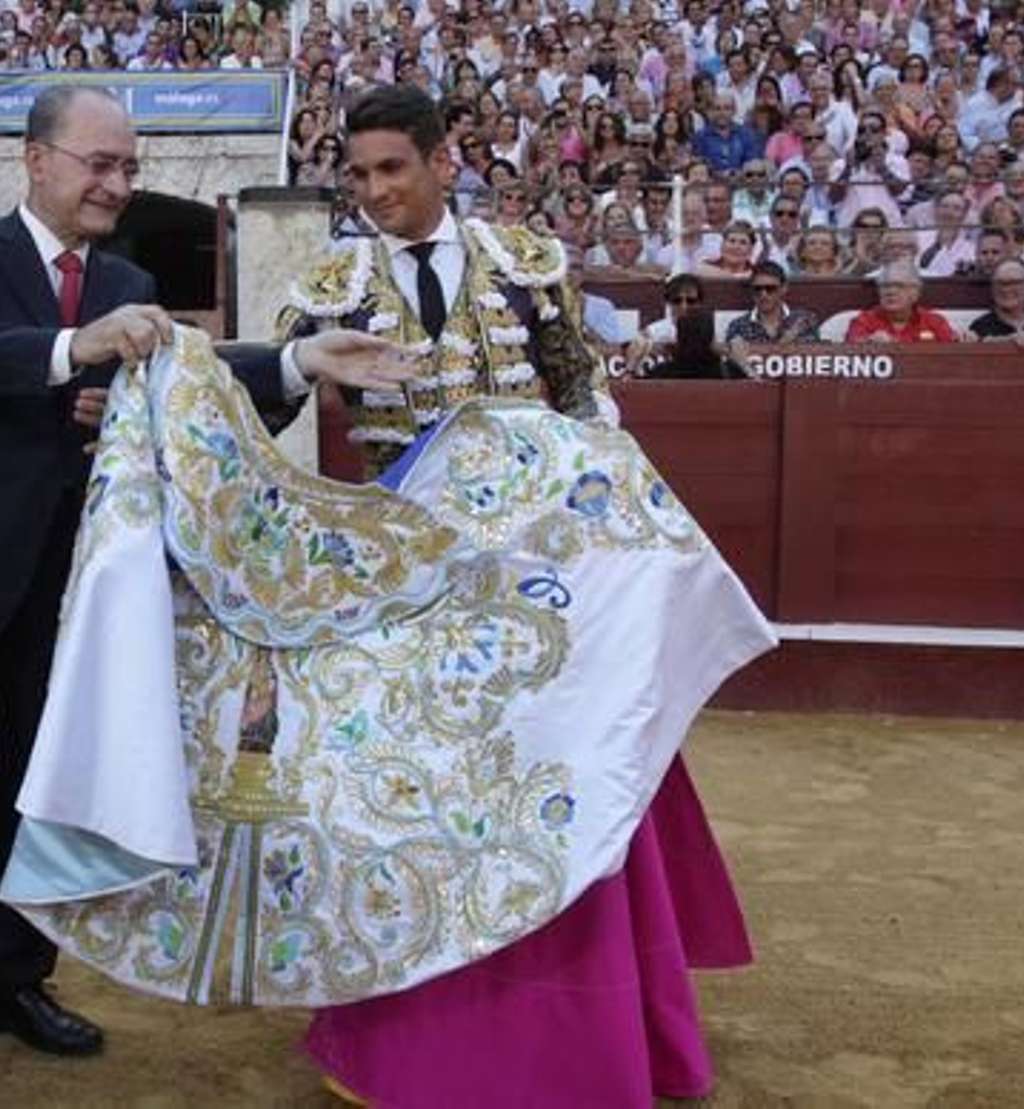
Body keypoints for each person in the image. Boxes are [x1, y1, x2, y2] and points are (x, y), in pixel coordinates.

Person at [0, 84, 412, 1109]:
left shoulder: (125, 274)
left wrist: (298, 357)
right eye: (96, 164)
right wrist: (77, 350)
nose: (117, 183)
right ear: (35, 160)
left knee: (40, 789)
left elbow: (186, 375)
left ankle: (12, 983)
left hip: (73, 589)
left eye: (127, 166)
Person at [274, 82, 752, 1107]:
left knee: (558, 772)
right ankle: (415, 1014)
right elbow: (273, 387)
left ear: (445, 162)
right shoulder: (332, 280)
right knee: (414, 792)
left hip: (536, 577)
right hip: (408, 576)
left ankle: (566, 1009)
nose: (373, 192)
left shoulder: (526, 264)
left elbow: (583, 398)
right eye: (357, 175)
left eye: (392, 168)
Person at [845, 262, 964, 343]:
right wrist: (869, 342)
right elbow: (851, 349)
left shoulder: (935, 322)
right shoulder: (864, 320)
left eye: (899, 286)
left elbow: (952, 351)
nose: (890, 292)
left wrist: (964, 340)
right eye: (885, 286)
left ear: (915, 293)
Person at [724, 261, 821, 347]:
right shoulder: (739, 326)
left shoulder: (804, 320)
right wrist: (782, 344)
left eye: (770, 289)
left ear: (784, 288)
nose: (763, 294)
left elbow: (812, 359)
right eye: (757, 289)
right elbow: (735, 364)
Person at [648, 308, 749, 379]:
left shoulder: (660, 373)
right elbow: (759, 396)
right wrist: (744, 364)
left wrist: (632, 366)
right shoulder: (730, 373)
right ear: (712, 340)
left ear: (678, 338)